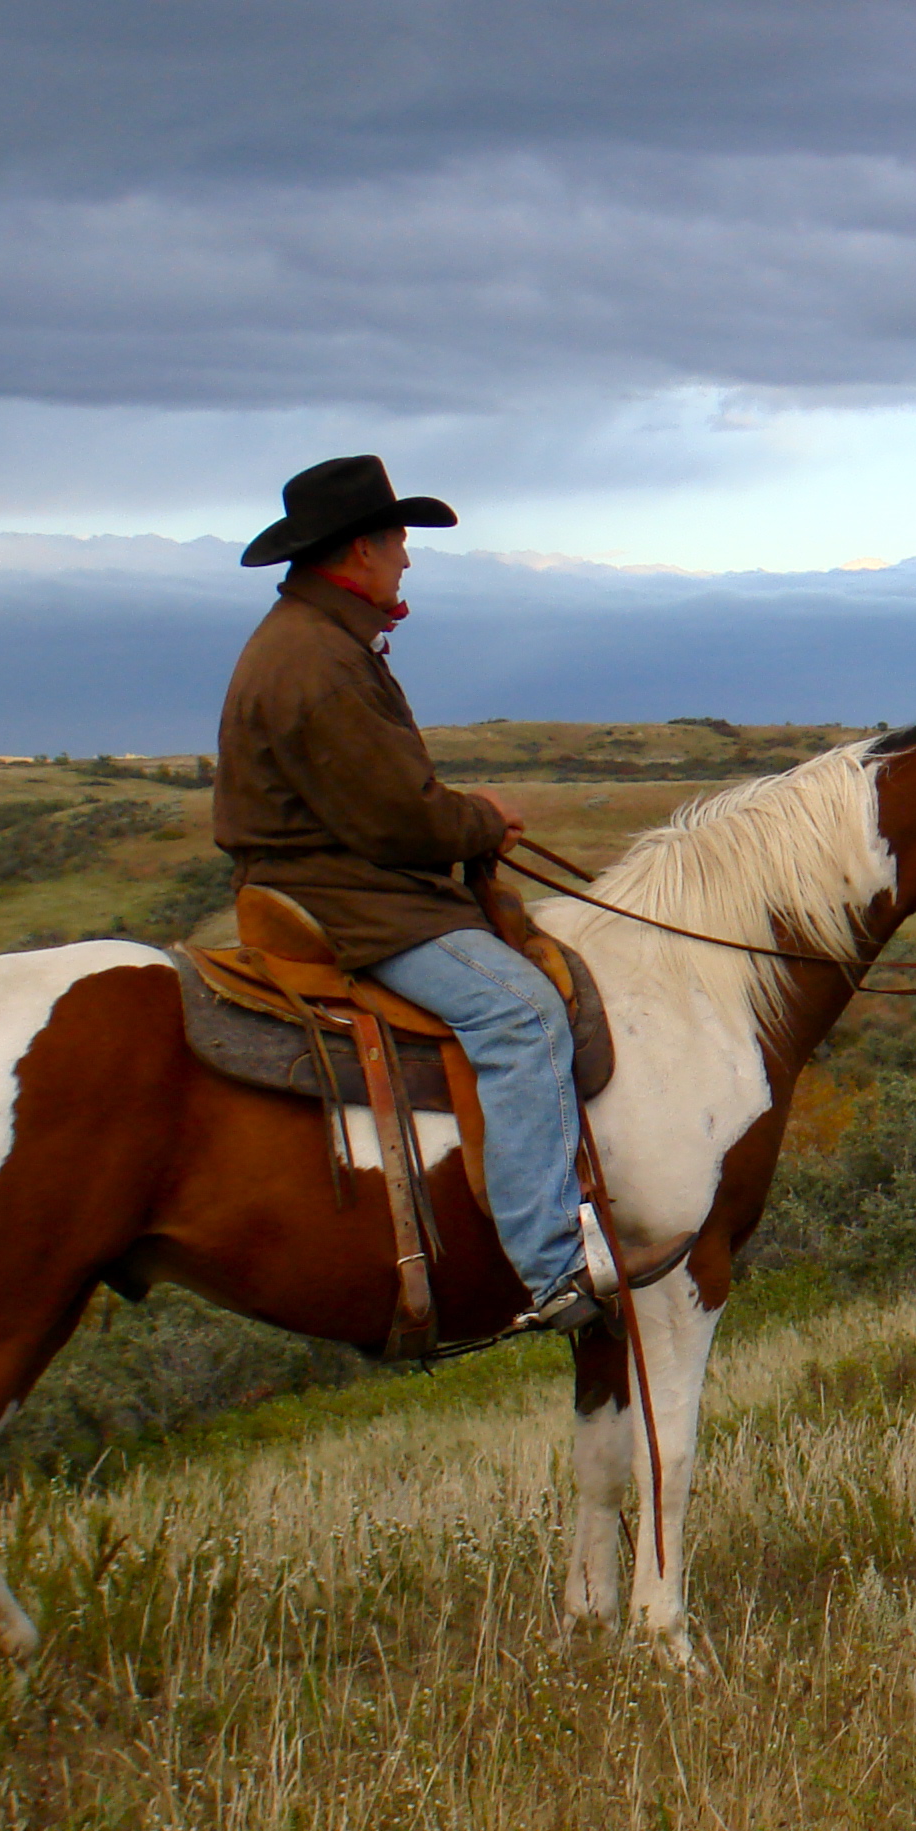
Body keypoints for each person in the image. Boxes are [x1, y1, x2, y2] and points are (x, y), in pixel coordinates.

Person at [213, 455, 606, 1334]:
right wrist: (480, 820)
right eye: (396, 539)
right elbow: (397, 822)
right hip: (352, 900)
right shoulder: (318, 661)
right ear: (358, 549)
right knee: (522, 1013)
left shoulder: (312, 639)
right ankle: (552, 1266)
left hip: (337, 882)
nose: (407, 559)